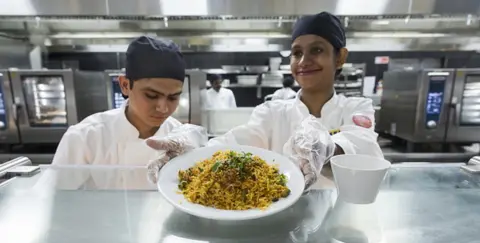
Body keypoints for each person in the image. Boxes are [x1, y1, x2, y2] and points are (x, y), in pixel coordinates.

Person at [147, 12, 382, 189]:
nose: (303, 61)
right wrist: (196, 149)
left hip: (336, 220)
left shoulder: (356, 107)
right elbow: (235, 142)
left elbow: (363, 145)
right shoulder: (273, 112)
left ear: (340, 57)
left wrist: (327, 146)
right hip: (277, 221)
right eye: (297, 53)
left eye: (317, 50)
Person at [52, 36, 206, 167]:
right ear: (125, 85)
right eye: (151, 95)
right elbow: (55, 197)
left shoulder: (179, 139)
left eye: (173, 97)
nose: (163, 108)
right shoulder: (85, 137)